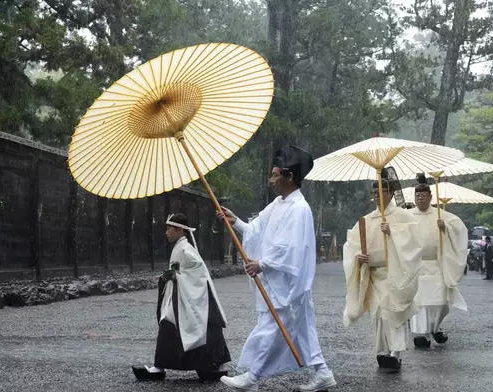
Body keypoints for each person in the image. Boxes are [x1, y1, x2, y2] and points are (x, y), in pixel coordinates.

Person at [216, 145, 336, 392]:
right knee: (302, 330)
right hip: (277, 280)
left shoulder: (299, 209)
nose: (271, 180)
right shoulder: (277, 205)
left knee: (270, 330)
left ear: (289, 176)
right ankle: (322, 372)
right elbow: (256, 230)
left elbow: (290, 248)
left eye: (274, 175)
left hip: (287, 284)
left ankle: (253, 376)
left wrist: (263, 263)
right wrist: (235, 221)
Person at [132, 213, 231, 382]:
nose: (166, 232)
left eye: (169, 228)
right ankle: (167, 366)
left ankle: (164, 367)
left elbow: (197, 273)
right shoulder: (182, 247)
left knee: (169, 324)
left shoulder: (186, 249)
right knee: (173, 326)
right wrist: (172, 276)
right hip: (181, 295)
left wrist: (176, 276)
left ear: (179, 229)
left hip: (187, 296)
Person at [342, 168, 422, 371]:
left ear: (391, 193)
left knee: (392, 313)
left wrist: (394, 232)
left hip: (395, 274)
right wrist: (358, 256)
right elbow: (353, 244)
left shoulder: (403, 217)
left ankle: (395, 353)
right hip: (375, 275)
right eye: (374, 192)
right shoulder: (367, 219)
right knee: (378, 315)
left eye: (381, 191)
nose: (377, 195)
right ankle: (383, 352)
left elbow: (414, 243)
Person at [408, 174, 468, 349]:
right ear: (414, 198)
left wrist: (446, 228)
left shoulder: (442, 215)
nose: (420, 198)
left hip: (436, 264)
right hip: (416, 265)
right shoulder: (407, 215)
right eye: (417, 196)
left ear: (430, 197)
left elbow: (460, 230)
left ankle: (436, 327)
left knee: (441, 301)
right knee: (419, 303)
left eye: (423, 195)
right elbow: (396, 230)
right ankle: (422, 334)